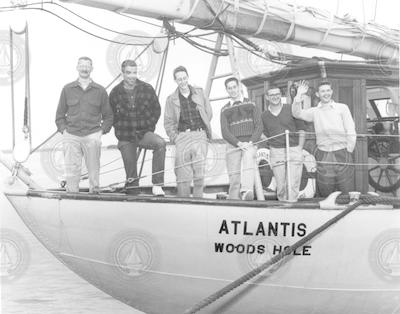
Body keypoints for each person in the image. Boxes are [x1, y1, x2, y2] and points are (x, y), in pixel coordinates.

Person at [55, 56, 113, 193]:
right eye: (82, 65)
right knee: (72, 171)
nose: (85, 68)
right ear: (77, 68)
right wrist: (64, 132)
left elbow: (109, 116)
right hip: (71, 135)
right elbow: (59, 116)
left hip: (92, 135)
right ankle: (72, 196)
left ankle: (94, 196)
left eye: (87, 66)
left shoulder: (100, 91)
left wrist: (100, 132)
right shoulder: (67, 89)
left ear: (92, 69)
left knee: (94, 171)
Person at [109, 59, 166, 196]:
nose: (132, 76)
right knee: (132, 184)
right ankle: (132, 189)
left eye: (134, 72)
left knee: (160, 143)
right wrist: (120, 131)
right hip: (125, 137)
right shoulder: (115, 92)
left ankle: (157, 185)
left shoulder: (147, 88)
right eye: (128, 72)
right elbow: (110, 116)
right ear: (122, 73)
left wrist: (149, 126)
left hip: (143, 133)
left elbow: (156, 110)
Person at [292, 80, 356, 197]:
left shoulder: (342, 108)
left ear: (331, 91)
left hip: (342, 152)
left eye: (328, 90)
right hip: (323, 153)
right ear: (317, 94)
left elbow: (350, 129)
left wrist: (349, 150)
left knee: (346, 187)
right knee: (325, 188)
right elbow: (297, 114)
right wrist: (299, 95)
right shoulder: (314, 111)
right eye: (322, 91)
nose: (326, 93)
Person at [164, 66, 212, 197]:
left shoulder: (200, 93)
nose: (183, 81)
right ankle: (183, 203)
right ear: (175, 81)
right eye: (179, 79)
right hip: (183, 137)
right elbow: (168, 122)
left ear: (188, 77)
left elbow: (208, 113)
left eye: (184, 78)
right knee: (182, 174)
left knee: (199, 174)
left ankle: (199, 201)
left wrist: (204, 131)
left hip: (200, 135)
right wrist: (176, 137)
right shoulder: (171, 99)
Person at [220, 77, 263, 200]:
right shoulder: (224, 109)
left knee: (249, 157)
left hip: (250, 143)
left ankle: (246, 191)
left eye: (234, 87)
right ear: (227, 90)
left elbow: (259, 125)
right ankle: (233, 200)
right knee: (234, 176)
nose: (233, 90)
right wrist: (238, 143)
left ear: (239, 87)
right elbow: (224, 131)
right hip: (233, 144)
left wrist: (250, 142)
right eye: (229, 88)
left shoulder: (251, 103)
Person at [262, 86, 305, 202]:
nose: (275, 97)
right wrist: (271, 146)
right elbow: (264, 134)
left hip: (294, 149)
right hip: (276, 151)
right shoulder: (264, 116)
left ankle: (292, 208)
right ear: (267, 97)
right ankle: (282, 209)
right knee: (281, 186)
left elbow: (301, 129)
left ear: (280, 95)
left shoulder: (291, 108)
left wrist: (300, 148)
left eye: (277, 94)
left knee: (293, 184)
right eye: (272, 95)